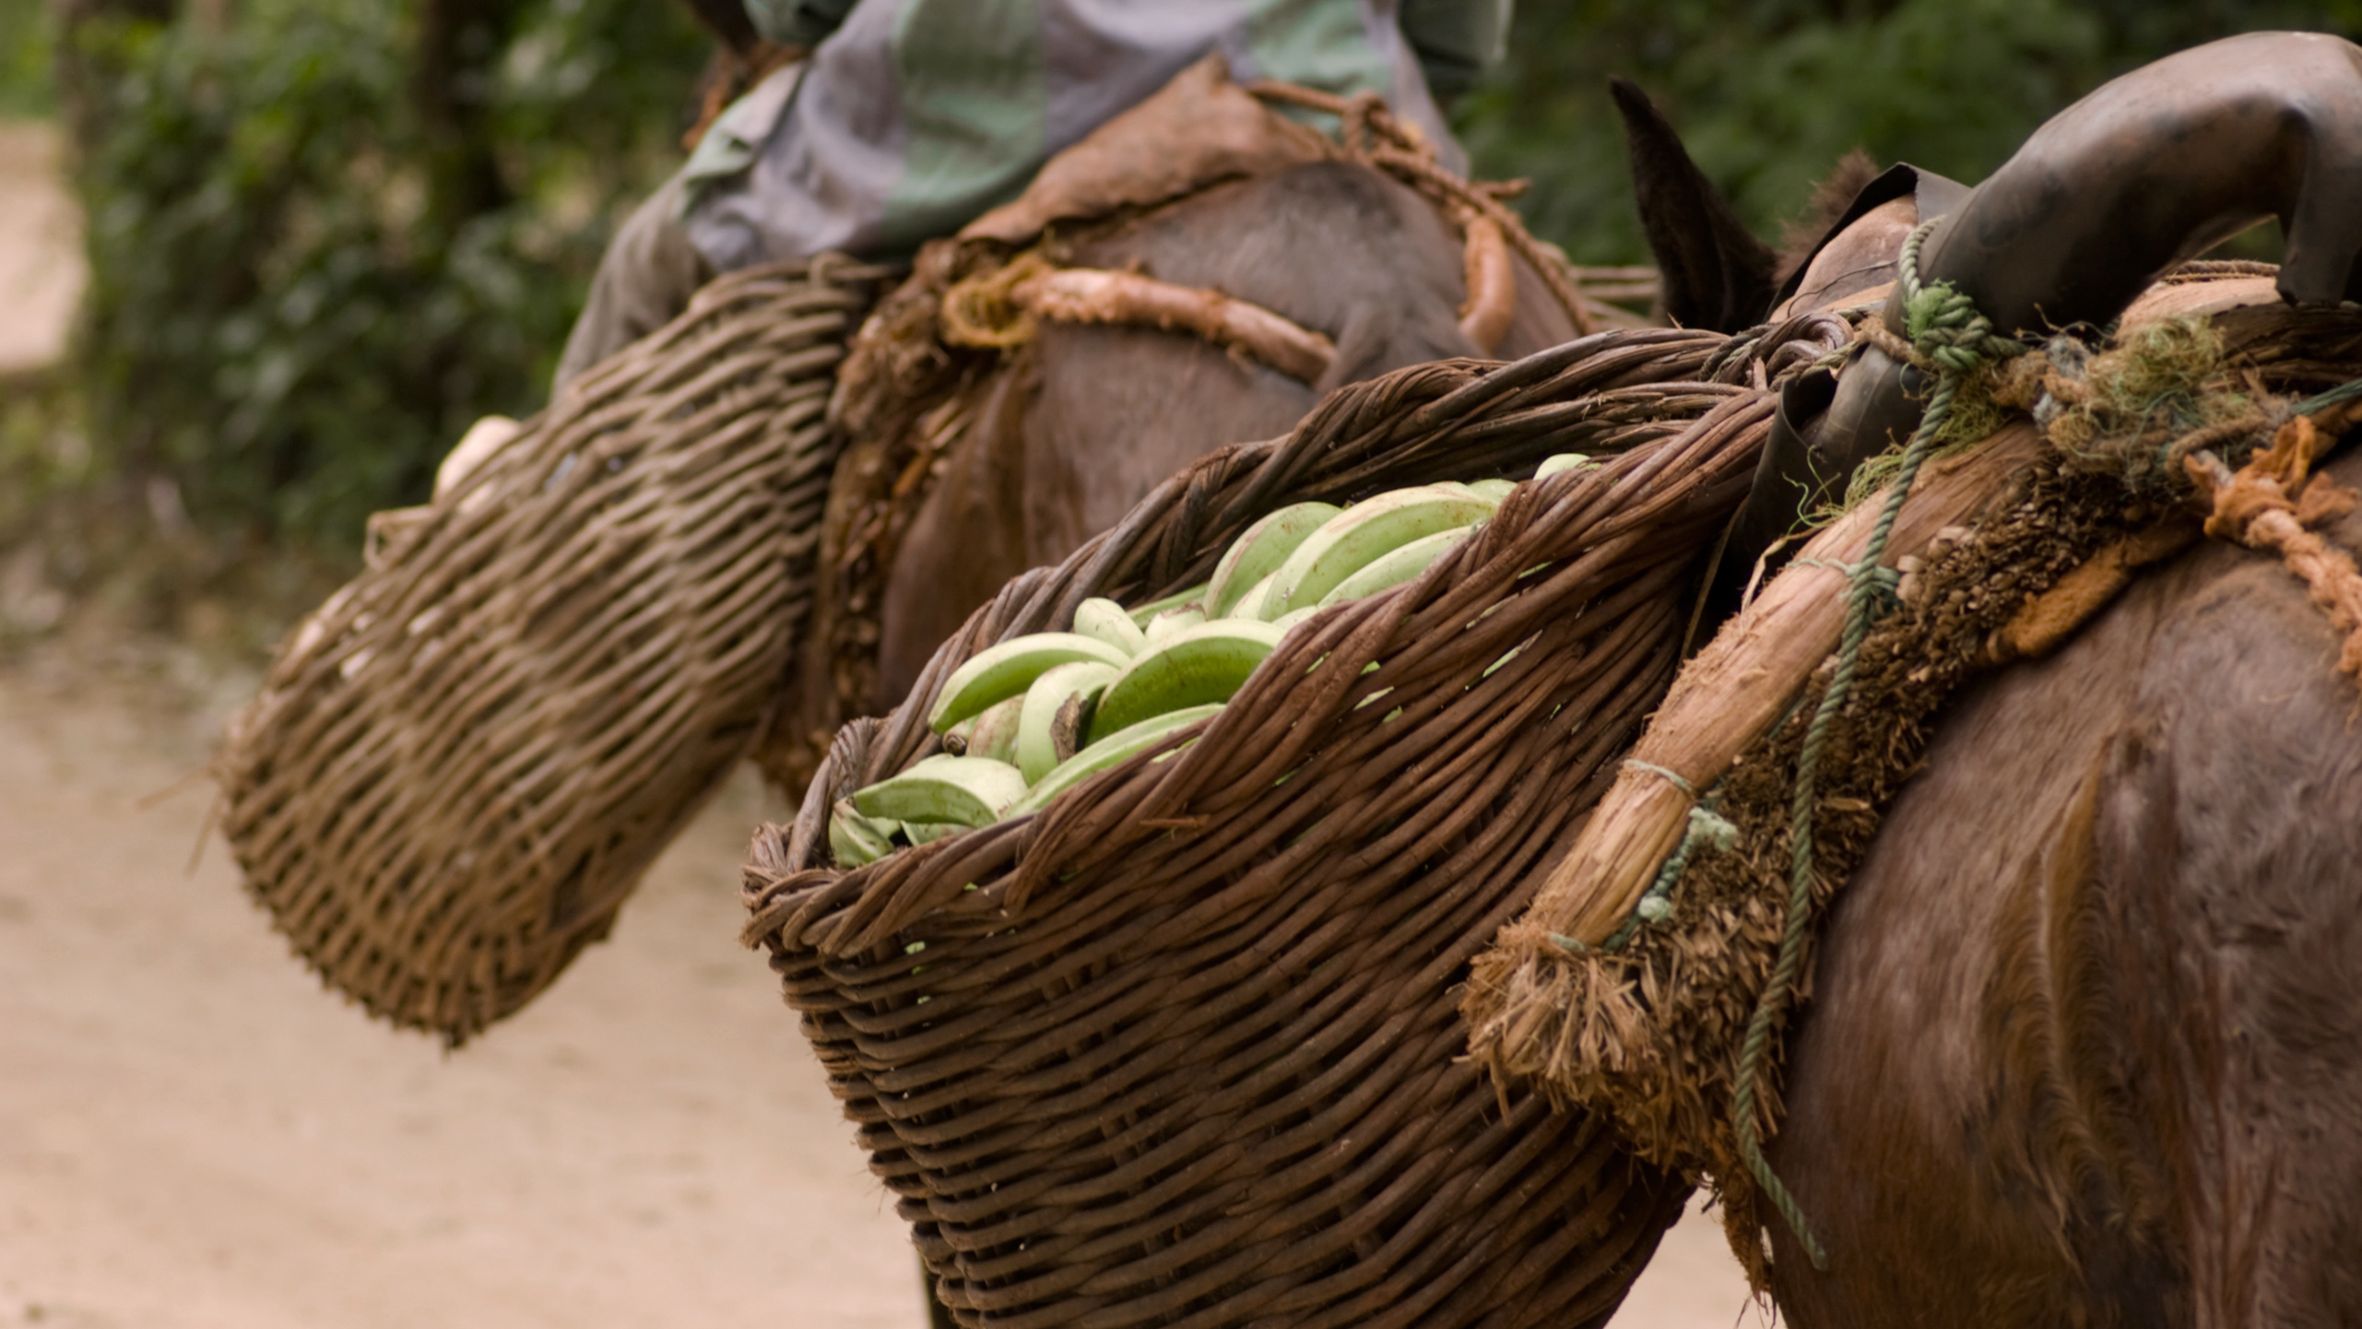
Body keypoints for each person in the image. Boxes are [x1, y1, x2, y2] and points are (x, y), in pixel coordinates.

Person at [553, 0, 1515, 387]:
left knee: (659, 253)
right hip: (1316, 93)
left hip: (984, 123)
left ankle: (534, 613)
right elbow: (1459, 43)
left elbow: (793, 11)